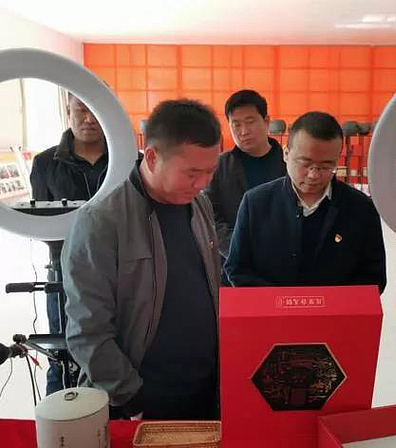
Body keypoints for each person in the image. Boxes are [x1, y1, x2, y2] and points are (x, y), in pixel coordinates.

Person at [62, 99, 222, 420]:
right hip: (139, 402)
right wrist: (133, 397)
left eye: (210, 171)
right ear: (152, 156)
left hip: (204, 392)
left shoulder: (199, 206)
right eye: (192, 173)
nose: (203, 183)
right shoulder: (101, 221)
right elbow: (88, 331)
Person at [224, 111, 386, 294]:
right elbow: (237, 268)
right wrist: (284, 301)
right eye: (305, 164)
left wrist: (327, 302)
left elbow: (374, 276)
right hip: (271, 310)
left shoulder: (361, 208)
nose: (314, 175)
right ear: (286, 154)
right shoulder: (256, 203)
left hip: (337, 311)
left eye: (326, 166)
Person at [29, 92, 108, 395]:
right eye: (80, 110)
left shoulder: (129, 159)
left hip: (119, 267)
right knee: (64, 349)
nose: (88, 119)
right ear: (68, 110)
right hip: (63, 270)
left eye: (95, 110)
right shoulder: (45, 163)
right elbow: (39, 222)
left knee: (115, 344)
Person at [204, 90, 286, 282]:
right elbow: (210, 216)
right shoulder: (218, 166)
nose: (244, 131)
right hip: (232, 269)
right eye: (236, 124)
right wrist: (238, 250)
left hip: (282, 265)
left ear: (266, 121)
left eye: (250, 122)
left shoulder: (289, 163)